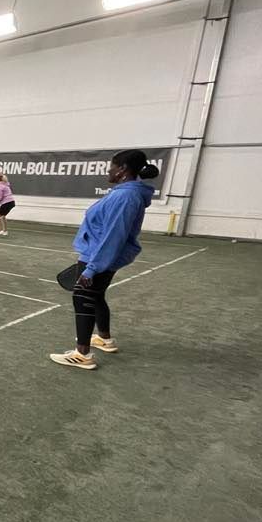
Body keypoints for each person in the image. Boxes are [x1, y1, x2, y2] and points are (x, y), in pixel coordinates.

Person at [50, 150, 160, 370]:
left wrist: (92, 269)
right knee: (96, 296)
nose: (108, 171)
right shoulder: (125, 193)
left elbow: (113, 236)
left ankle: (82, 355)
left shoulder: (125, 197)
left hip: (98, 256)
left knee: (82, 297)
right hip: (98, 255)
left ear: (122, 170)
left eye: (112, 166)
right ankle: (104, 339)